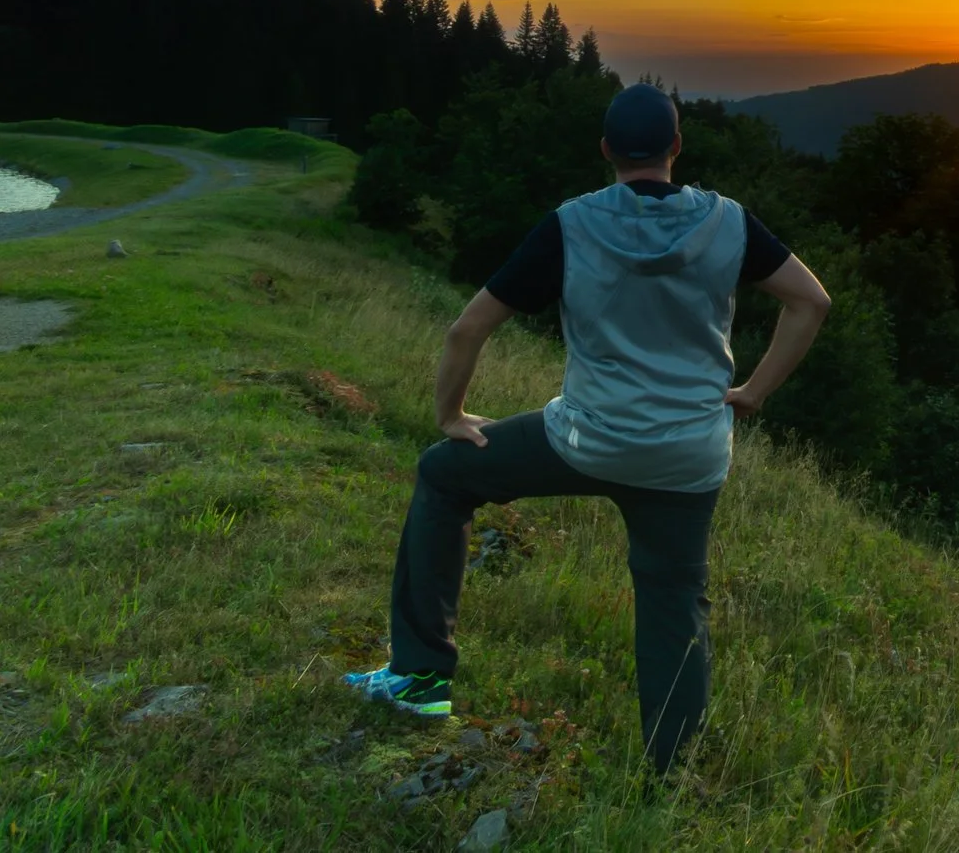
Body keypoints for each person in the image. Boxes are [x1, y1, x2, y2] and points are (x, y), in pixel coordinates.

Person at [344, 83, 832, 775]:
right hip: (689, 458)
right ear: (677, 147)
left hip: (585, 442)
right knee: (672, 602)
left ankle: (419, 677)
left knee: (442, 474)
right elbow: (811, 303)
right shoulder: (729, 224)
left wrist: (451, 415)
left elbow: (467, 329)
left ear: (605, 152)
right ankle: (673, 776)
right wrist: (753, 391)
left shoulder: (571, 226)